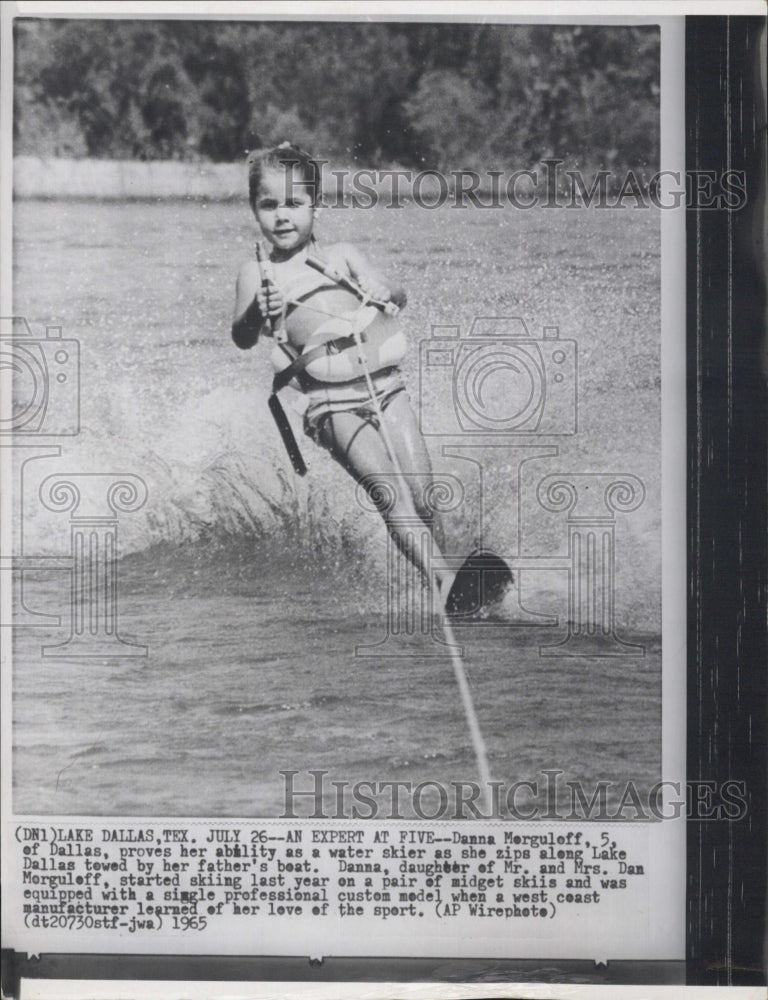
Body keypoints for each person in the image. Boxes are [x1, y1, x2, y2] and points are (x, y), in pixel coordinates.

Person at [231, 142, 455, 604]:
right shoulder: (257, 274)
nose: (282, 216)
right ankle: (443, 581)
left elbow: (398, 294)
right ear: (255, 209)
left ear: (316, 204)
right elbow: (242, 336)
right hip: (332, 406)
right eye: (268, 205)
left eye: (294, 203)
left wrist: (379, 287)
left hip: (387, 389)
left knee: (423, 493)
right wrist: (259, 308)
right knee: (389, 492)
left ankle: (449, 571)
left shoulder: (344, 254)